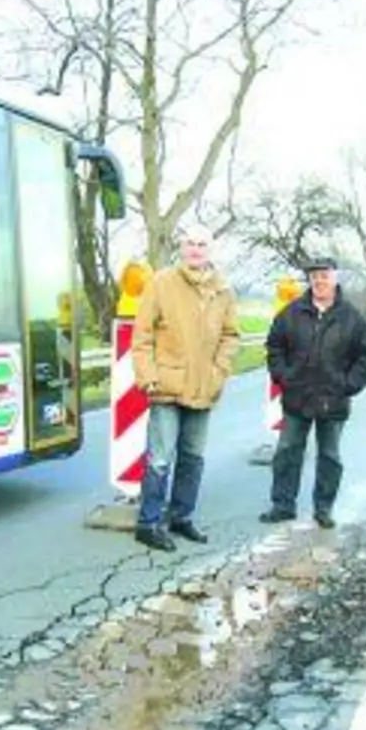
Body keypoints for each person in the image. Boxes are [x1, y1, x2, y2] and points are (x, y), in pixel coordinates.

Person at [130, 224, 242, 552]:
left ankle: (181, 516)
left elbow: (231, 336)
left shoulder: (224, 290)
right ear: (182, 248)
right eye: (190, 243)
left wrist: (219, 371)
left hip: (204, 387)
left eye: (202, 244)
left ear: (211, 249)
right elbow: (142, 335)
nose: (196, 249)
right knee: (161, 458)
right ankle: (148, 523)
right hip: (166, 384)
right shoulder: (161, 283)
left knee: (193, 457)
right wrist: (147, 375)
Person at [259, 256, 366, 528]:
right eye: (314, 276)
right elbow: (274, 347)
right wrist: (283, 376)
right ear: (309, 280)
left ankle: (323, 508)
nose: (319, 280)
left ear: (335, 277)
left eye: (324, 275)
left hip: (333, 400)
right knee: (288, 451)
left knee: (330, 456)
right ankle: (282, 505)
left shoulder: (352, 318)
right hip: (296, 397)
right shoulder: (290, 313)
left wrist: (348, 385)